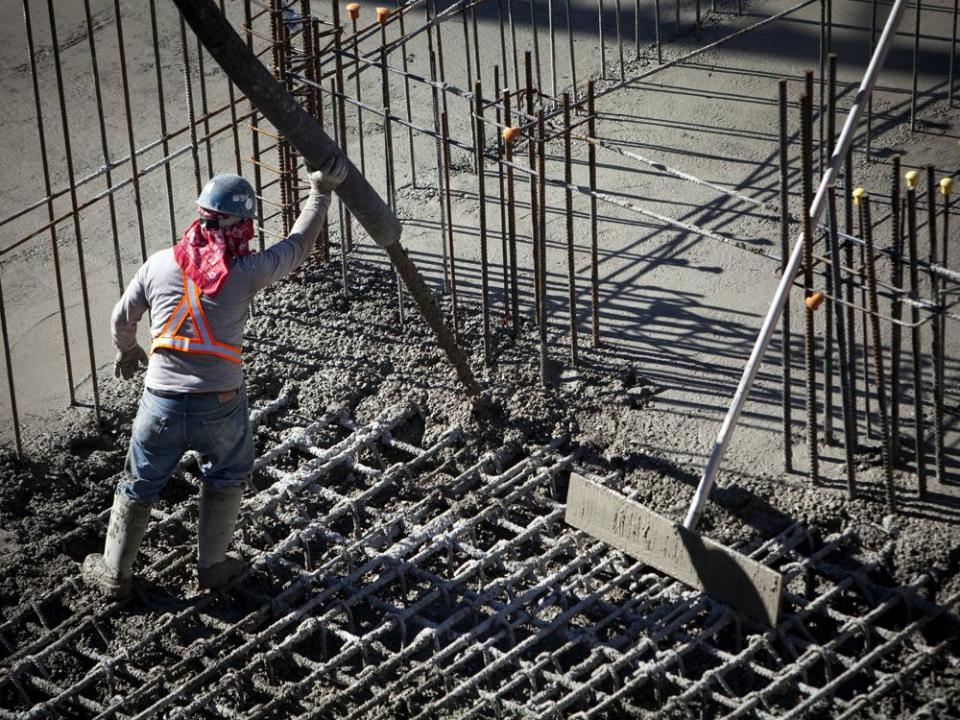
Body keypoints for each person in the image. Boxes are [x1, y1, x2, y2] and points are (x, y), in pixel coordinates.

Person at [82, 155, 348, 600]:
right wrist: (320, 193)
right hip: (220, 403)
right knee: (225, 475)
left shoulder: (159, 263)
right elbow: (298, 245)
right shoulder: (244, 273)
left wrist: (128, 348)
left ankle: (114, 572)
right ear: (240, 225)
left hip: (160, 402)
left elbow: (120, 317)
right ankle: (212, 567)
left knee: (139, 482)